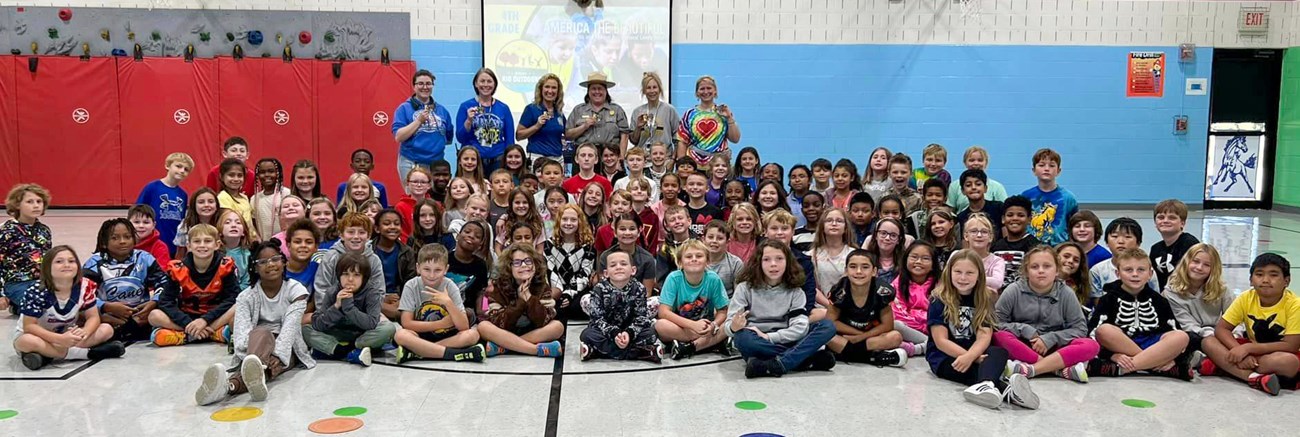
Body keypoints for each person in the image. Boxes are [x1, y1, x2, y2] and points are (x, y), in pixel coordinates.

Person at [194, 239, 314, 405]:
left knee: (266, 364)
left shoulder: (296, 291)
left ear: (284, 262)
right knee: (261, 334)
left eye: (275, 259)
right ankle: (249, 375)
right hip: (256, 344)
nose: (270, 264)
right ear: (255, 268)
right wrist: (252, 359)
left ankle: (228, 387)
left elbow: (289, 330)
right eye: (263, 262)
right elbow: (242, 335)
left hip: (287, 348)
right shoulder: (246, 296)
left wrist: (275, 357)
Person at [928, 249, 1037, 410]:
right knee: (979, 369)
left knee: (999, 352)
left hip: (975, 353)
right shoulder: (939, 300)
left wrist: (972, 355)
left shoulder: (984, 299)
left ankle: (987, 386)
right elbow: (941, 341)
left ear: (979, 275)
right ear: (948, 273)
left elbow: (984, 336)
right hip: (946, 357)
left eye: (969, 273)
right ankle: (1007, 390)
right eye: (958, 272)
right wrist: (968, 357)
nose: (963, 277)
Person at [726, 240, 837, 378]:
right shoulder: (744, 288)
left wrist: (769, 337)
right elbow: (728, 327)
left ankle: (778, 364)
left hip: (787, 337)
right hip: (758, 342)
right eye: (767, 259)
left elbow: (800, 328)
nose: (773, 264)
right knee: (742, 338)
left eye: (779, 259)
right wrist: (733, 327)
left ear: (787, 262)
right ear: (758, 263)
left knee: (827, 326)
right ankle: (804, 358)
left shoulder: (796, 292)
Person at [1199, 253, 1299, 396]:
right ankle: (1253, 378)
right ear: (1251, 280)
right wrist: (1240, 351)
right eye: (1259, 274)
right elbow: (1222, 329)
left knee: (1288, 362)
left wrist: (1247, 348)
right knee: (1208, 341)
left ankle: (1222, 366)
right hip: (1253, 352)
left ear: (1286, 281)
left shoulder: (1295, 305)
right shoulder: (1246, 297)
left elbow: (1291, 346)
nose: (1265, 280)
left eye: (1273, 275)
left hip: (1282, 353)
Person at [1086, 248, 1193, 380]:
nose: (1135, 274)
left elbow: (1174, 328)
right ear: (1118, 273)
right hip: (1122, 344)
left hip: (1153, 344)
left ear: (1150, 274)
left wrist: (1175, 359)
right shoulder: (1108, 299)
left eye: (1141, 270)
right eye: (1128, 270)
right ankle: (1154, 365)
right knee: (1104, 330)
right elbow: (1093, 332)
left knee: (1181, 336)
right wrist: (1111, 355)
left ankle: (1123, 369)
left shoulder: (1159, 300)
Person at [305, 213, 397, 366]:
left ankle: (345, 348)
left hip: (363, 320)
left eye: (361, 232)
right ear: (342, 234)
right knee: (306, 329)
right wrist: (335, 308)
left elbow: (379, 293)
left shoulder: (373, 260)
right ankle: (350, 351)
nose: (356, 237)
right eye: (351, 232)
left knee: (388, 329)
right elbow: (321, 290)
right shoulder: (330, 257)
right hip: (334, 320)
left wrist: (358, 311)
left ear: (368, 236)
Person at [996, 246, 1100, 382]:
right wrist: (1024, 330)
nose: (1041, 271)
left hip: (1056, 349)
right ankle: (1057, 369)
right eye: (1034, 267)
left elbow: (1080, 329)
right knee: (999, 337)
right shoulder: (1013, 290)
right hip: (1024, 345)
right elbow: (996, 323)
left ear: (1057, 271)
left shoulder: (1066, 293)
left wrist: (1051, 338)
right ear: (1026, 271)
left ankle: (1033, 369)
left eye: (1047, 266)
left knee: (1091, 345)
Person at [13, 246, 126, 370]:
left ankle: (48, 356)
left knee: (106, 329)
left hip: (68, 335)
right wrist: (60, 339)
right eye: (59, 261)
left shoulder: (85, 286)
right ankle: (86, 354)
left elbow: (93, 317)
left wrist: (85, 332)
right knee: (26, 341)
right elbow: (29, 326)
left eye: (71, 261)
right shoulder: (36, 290)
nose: (66, 265)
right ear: (47, 267)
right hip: (41, 337)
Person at [149, 224, 240, 346]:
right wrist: (186, 323)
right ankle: (208, 333)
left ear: (217, 245)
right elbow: (165, 301)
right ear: (189, 246)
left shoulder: (225, 266)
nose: (202, 245)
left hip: (215, 317)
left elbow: (233, 298)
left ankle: (187, 336)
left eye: (207, 241)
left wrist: (205, 320)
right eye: (197, 241)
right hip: (186, 318)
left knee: (239, 305)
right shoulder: (178, 269)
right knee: (154, 316)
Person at [393, 244, 486, 363]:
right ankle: (453, 354)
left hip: (447, 336)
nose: (431, 275)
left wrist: (448, 302)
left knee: (472, 335)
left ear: (446, 269)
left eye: (438, 270)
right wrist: (441, 323)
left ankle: (420, 352)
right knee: (401, 335)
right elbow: (407, 323)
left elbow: (464, 326)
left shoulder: (450, 286)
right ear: (418, 268)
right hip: (420, 335)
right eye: (426, 269)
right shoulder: (411, 285)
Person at [82, 218, 168, 342]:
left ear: (134, 239)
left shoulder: (144, 258)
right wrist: (106, 306)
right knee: (85, 315)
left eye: (127, 237)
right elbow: (82, 294)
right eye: (115, 238)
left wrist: (154, 302)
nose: (122, 241)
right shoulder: (94, 262)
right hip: (109, 315)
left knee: (164, 309)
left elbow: (164, 283)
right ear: (104, 243)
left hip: (140, 315)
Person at [478, 244, 565, 358]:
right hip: (506, 331)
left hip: (533, 331)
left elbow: (543, 321)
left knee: (557, 327)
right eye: (517, 262)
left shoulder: (542, 285)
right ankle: (534, 349)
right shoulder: (498, 286)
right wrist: (520, 302)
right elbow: (500, 324)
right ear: (509, 267)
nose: (524, 265)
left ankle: (505, 347)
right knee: (483, 327)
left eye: (528, 261)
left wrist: (529, 298)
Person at [825, 249, 907, 366]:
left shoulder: (883, 291)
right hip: (846, 335)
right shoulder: (838, 291)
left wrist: (861, 337)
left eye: (865, 267)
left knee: (895, 337)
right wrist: (856, 334)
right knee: (827, 337)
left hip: (870, 335)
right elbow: (830, 323)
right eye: (853, 267)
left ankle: (843, 354)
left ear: (874, 271)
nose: (859, 271)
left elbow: (888, 326)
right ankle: (873, 358)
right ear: (846, 271)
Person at [581, 250, 662, 363]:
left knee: (651, 334)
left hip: (631, 331)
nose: (618, 267)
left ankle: (598, 352)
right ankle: (641, 352)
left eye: (623, 264)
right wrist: (614, 334)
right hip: (608, 333)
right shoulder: (598, 289)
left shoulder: (639, 288)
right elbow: (598, 319)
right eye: (613, 265)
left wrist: (629, 333)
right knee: (587, 335)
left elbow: (641, 317)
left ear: (633, 270)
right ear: (606, 273)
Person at [655, 239, 730, 359]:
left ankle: (688, 347)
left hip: (707, 326)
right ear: (680, 262)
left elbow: (723, 311)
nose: (694, 259)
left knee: (729, 322)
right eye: (689, 256)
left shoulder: (713, 279)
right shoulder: (674, 278)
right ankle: (709, 343)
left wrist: (714, 325)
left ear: (707, 261)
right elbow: (663, 312)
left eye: (699, 256)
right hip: (681, 326)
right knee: (660, 325)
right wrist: (693, 325)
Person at [1163, 243, 1233, 352]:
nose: (1199, 268)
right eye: (1195, 261)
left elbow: (1236, 317)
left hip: (1222, 335)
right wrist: (1211, 337)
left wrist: (1235, 336)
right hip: (1194, 336)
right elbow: (1187, 324)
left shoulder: (1222, 289)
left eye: (1207, 265)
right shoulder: (1171, 291)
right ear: (1186, 262)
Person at [392, 69, 454, 184]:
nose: (425, 87)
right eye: (420, 83)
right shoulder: (404, 109)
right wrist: (418, 122)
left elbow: (448, 139)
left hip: (436, 164)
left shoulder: (442, 110)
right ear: (414, 87)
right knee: (413, 197)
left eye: (428, 84)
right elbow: (399, 137)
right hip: (412, 162)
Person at [457, 68, 515, 174]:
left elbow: (510, 139)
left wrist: (509, 160)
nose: (486, 85)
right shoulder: (465, 106)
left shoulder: (503, 108)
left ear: (494, 84)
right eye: (482, 81)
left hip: (498, 159)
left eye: (489, 81)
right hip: (474, 161)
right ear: (476, 83)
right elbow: (460, 138)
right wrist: (469, 120)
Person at [1089, 217, 1159, 304]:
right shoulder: (1097, 271)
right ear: (1106, 242)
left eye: (1128, 237)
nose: (1120, 241)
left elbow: (1156, 300)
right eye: (1114, 236)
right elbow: (1098, 305)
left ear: (1139, 243)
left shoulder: (1147, 271)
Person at [676, 76, 742, 167]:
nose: (706, 92)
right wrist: (681, 164)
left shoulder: (723, 112)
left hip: (718, 165)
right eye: (702, 89)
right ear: (697, 93)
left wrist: (729, 118)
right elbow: (682, 141)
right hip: (694, 164)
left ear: (715, 91)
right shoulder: (689, 114)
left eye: (709, 88)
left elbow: (735, 139)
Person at [135, 152, 193, 254]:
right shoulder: (152, 187)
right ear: (167, 166)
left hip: (172, 243)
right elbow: (137, 212)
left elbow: (181, 222)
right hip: (151, 242)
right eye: (178, 166)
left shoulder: (183, 195)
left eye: (186, 169)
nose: (182, 171)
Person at [546, 204, 597, 319]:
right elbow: (552, 272)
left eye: (573, 220)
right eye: (565, 219)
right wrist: (560, 293)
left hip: (579, 289)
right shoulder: (549, 245)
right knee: (557, 307)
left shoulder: (588, 246)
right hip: (558, 289)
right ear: (559, 221)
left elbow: (585, 273)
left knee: (576, 307)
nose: (568, 223)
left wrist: (569, 293)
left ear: (580, 222)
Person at [565, 72, 630, 157]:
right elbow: (568, 135)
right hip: (584, 157)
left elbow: (624, 135)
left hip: (610, 157)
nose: (597, 92)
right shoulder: (578, 110)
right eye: (593, 89)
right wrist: (584, 126)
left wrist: (621, 158)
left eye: (600, 88)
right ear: (588, 91)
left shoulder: (617, 110)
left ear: (606, 91)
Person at [1022, 148, 1078, 246]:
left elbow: (1074, 226)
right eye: (1041, 165)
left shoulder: (1068, 198)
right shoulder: (1025, 196)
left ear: (1058, 171)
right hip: (1031, 248)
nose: (1047, 169)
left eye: (1052, 165)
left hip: (1059, 249)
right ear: (1034, 170)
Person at [892, 241, 939, 357]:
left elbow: (939, 314)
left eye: (925, 258)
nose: (918, 262)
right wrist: (919, 324)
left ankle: (919, 348)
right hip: (910, 329)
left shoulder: (941, 284)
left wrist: (925, 325)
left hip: (933, 330)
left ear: (933, 264)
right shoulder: (898, 283)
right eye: (914, 257)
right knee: (895, 325)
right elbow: (897, 313)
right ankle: (930, 345)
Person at [373, 209, 417, 321]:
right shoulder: (368, 250)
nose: (392, 227)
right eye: (387, 224)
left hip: (398, 299)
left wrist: (401, 300)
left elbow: (410, 281)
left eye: (397, 224)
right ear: (377, 228)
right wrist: (382, 298)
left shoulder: (407, 252)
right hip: (374, 298)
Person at [991, 195, 1039, 290]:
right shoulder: (996, 246)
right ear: (1003, 219)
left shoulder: (1035, 246)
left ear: (1030, 219)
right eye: (1010, 215)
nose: (1015, 218)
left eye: (1020, 215)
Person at [1150, 199, 1200, 290]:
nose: (1165, 221)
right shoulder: (1155, 249)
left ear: (1182, 223)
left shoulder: (1190, 244)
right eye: (1161, 217)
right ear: (1155, 223)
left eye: (1172, 218)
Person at [517, 74, 567, 163]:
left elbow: (568, 133)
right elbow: (519, 135)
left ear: (558, 91)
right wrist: (536, 126)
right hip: (537, 157)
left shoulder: (559, 112)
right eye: (547, 87)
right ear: (541, 89)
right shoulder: (531, 109)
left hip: (557, 159)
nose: (550, 91)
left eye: (554, 88)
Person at [946, 146, 1007, 212]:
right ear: (965, 163)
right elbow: (950, 211)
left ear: (986, 163)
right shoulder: (954, 186)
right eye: (971, 160)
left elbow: (1005, 210)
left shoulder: (997, 187)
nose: (976, 163)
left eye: (980, 160)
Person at [628, 72, 679, 152]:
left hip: (664, 159)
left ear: (659, 89)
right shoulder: (637, 112)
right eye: (648, 88)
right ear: (644, 91)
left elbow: (678, 139)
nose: (652, 91)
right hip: (643, 160)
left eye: (654, 87)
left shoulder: (669, 110)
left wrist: (673, 159)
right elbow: (633, 141)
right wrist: (638, 127)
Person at [173, 188, 221, 260]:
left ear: (216, 206)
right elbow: (180, 255)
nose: (206, 205)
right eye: (201, 202)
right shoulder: (185, 226)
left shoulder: (223, 224)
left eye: (211, 202)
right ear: (194, 206)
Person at [215, 158, 257, 241]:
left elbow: (250, 224)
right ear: (222, 177)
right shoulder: (222, 197)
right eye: (231, 175)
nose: (236, 179)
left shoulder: (244, 197)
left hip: (251, 240)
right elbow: (228, 223)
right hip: (236, 241)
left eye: (240, 175)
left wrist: (257, 239)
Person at [954, 169, 1003, 236]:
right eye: (968, 185)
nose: (973, 187)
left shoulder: (998, 208)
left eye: (978, 184)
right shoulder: (961, 217)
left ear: (985, 188)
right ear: (963, 191)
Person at [962, 214, 1005, 291]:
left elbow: (997, 282)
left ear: (991, 237)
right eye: (974, 231)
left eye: (984, 232)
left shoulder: (997, 261)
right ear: (966, 236)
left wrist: (968, 278)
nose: (979, 235)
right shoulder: (957, 256)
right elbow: (948, 277)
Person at [251, 158, 291, 239]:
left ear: (278, 173)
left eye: (271, 171)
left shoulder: (286, 194)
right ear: (257, 175)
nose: (266, 175)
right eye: (262, 172)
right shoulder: (254, 198)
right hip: (264, 244)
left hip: (284, 243)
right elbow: (254, 223)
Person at [702, 221, 743, 295]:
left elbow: (739, 295)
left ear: (727, 242)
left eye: (720, 238)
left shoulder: (736, 263)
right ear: (703, 239)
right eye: (710, 237)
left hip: (728, 303)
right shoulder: (695, 261)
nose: (714, 241)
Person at [395, 167, 436, 241]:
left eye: (423, 182)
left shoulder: (436, 205)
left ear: (429, 185)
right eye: (415, 182)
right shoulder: (400, 207)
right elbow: (402, 233)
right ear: (407, 183)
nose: (419, 185)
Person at [283, 219, 320, 295]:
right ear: (288, 245)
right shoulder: (279, 270)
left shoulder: (318, 269)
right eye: (297, 242)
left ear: (316, 247)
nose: (303, 245)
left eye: (309, 242)